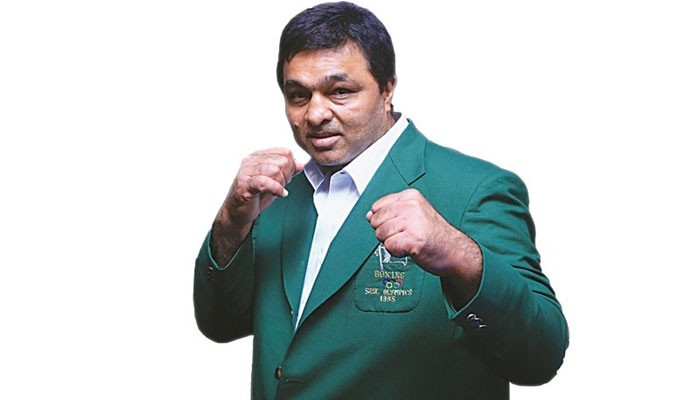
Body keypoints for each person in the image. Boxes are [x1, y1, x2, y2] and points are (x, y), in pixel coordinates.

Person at [193, 2, 568, 398]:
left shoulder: (475, 189)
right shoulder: (275, 196)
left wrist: (459, 253)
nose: (315, 114)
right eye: (298, 95)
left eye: (340, 92)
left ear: (387, 88)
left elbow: (541, 356)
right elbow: (219, 325)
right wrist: (231, 220)